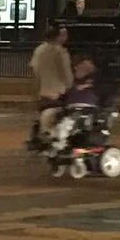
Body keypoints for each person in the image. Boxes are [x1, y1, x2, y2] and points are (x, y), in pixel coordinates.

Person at [26, 20, 73, 149]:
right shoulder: (61, 52)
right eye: (64, 35)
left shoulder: (39, 50)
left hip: (43, 93)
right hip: (59, 94)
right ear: (59, 37)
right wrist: (71, 88)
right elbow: (67, 75)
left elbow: (35, 73)